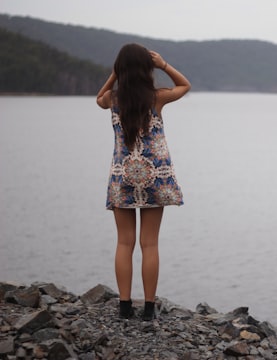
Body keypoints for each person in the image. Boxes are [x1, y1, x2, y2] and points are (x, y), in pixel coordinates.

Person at [96, 43, 191, 320]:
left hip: (123, 177)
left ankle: (124, 306)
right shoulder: (156, 98)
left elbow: (98, 97)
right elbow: (185, 85)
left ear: (120, 69)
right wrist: (163, 65)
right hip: (154, 176)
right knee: (150, 244)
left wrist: (114, 75)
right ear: (146, 69)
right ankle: (149, 309)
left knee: (124, 243)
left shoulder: (113, 100)